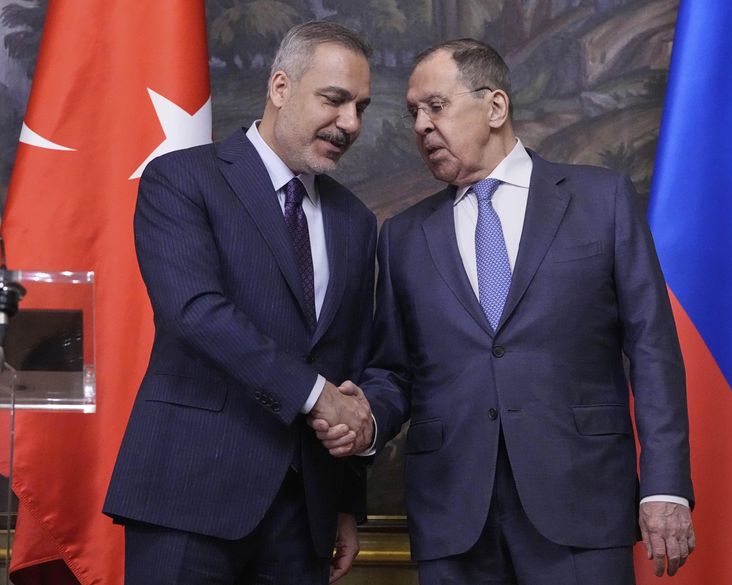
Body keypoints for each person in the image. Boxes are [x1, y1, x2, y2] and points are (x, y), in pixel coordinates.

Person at [313, 39, 695, 584]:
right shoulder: (402, 236)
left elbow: (654, 352)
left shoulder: (601, 199)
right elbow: (395, 370)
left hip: (580, 505)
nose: (420, 125)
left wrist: (664, 485)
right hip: (453, 516)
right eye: (413, 113)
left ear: (495, 107)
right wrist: (368, 418)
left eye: (436, 107)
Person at [104, 21, 376, 585]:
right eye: (334, 100)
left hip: (305, 514)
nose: (350, 123)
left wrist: (346, 500)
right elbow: (195, 312)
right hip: (188, 496)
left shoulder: (356, 220)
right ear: (281, 87)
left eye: (361, 108)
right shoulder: (181, 179)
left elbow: (345, 358)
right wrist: (313, 395)